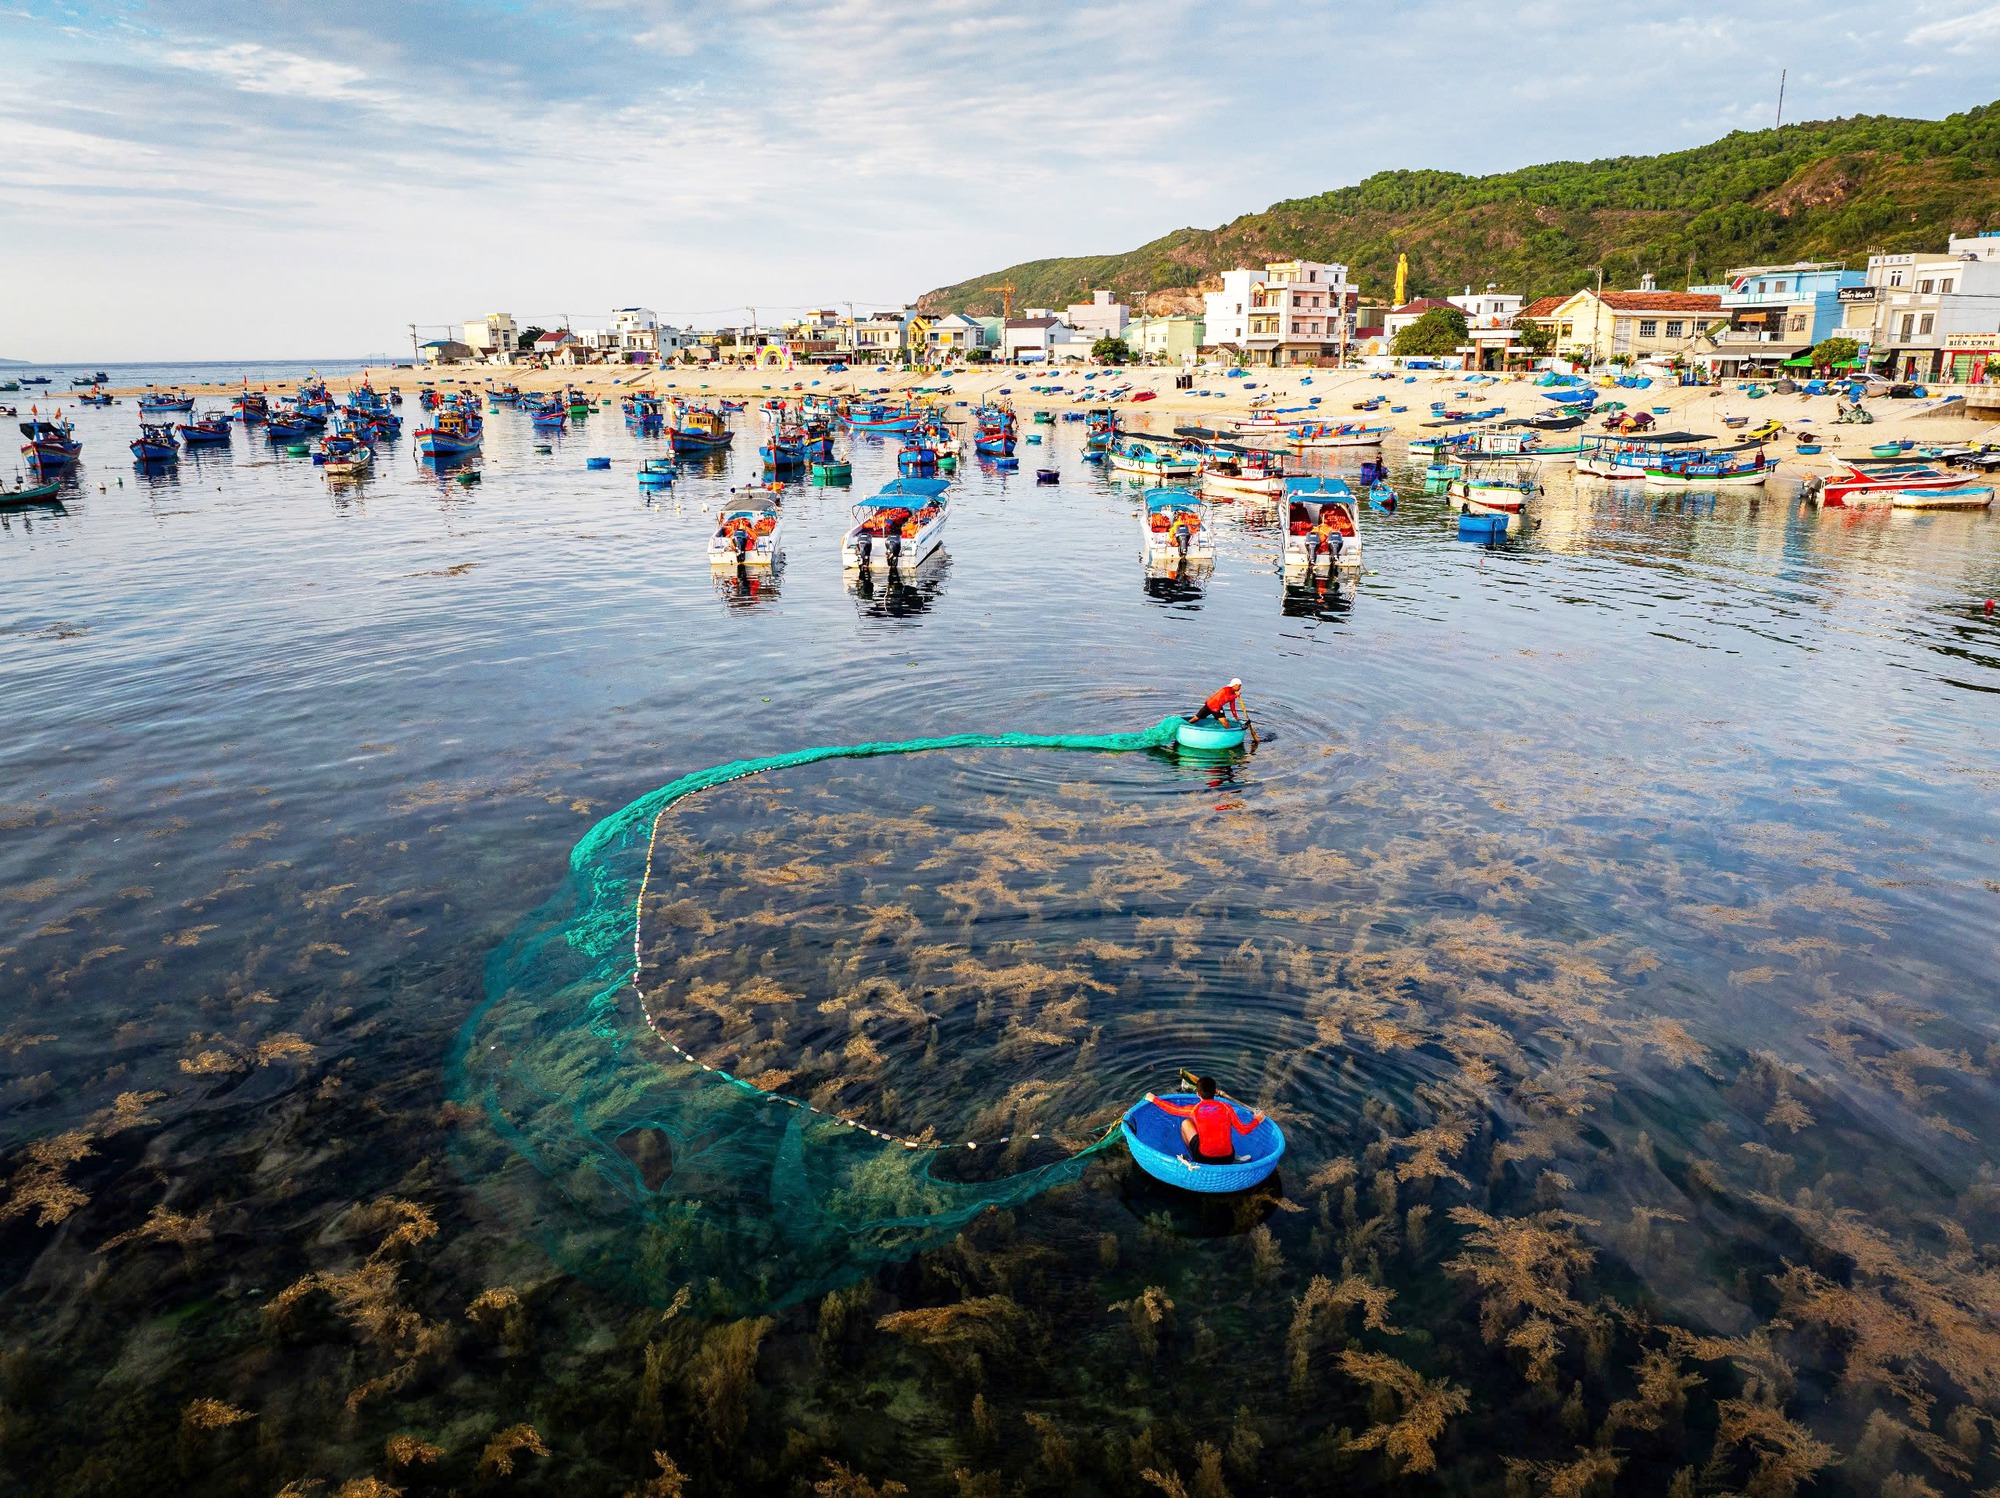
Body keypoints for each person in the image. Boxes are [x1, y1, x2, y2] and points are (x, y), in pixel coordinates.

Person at [1144, 1078, 1266, 1164]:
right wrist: (1257, 1120)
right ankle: (1235, 1160)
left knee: (1185, 1123)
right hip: (1228, 1157)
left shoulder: (1194, 1110)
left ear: (1197, 1094)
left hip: (1204, 1158)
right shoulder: (1227, 1108)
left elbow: (1173, 1109)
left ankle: (1193, 1159)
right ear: (1215, 1092)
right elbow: (1243, 1130)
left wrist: (1154, 1099)